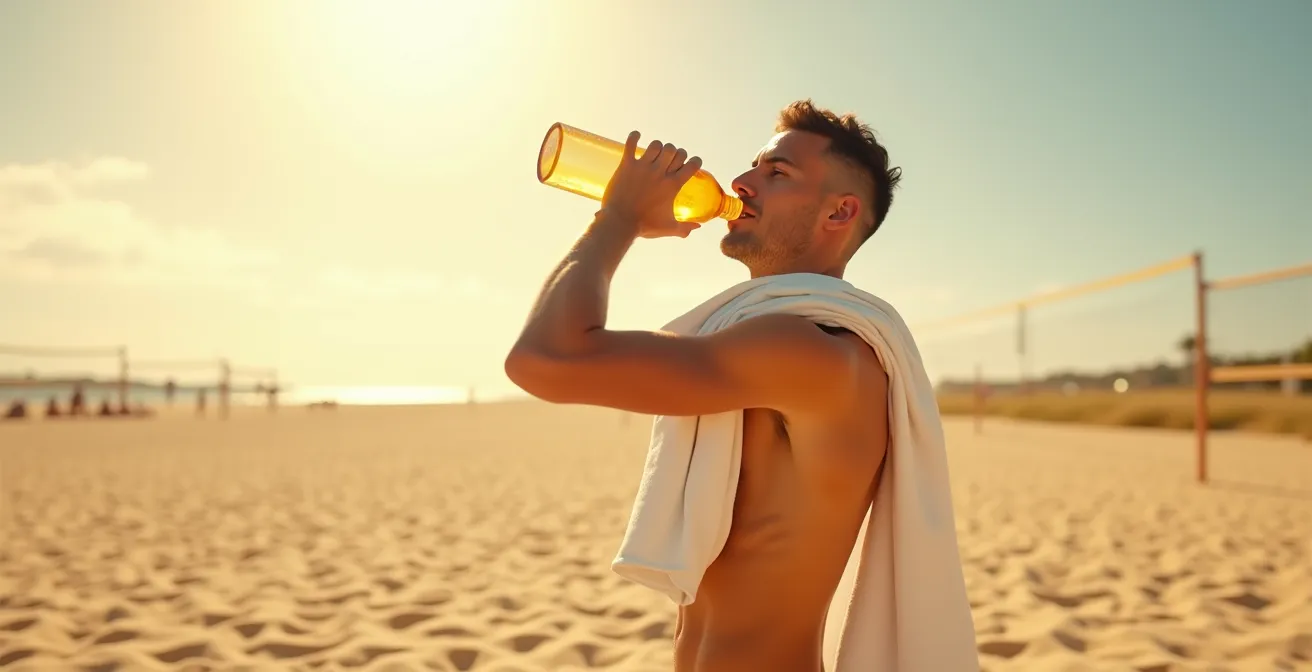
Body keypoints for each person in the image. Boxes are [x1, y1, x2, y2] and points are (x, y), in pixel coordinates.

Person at [506, 100, 907, 671]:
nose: (741, 184)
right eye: (752, 167)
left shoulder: (815, 350)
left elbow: (546, 358)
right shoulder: (777, 338)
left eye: (777, 173)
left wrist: (617, 218)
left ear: (839, 213)